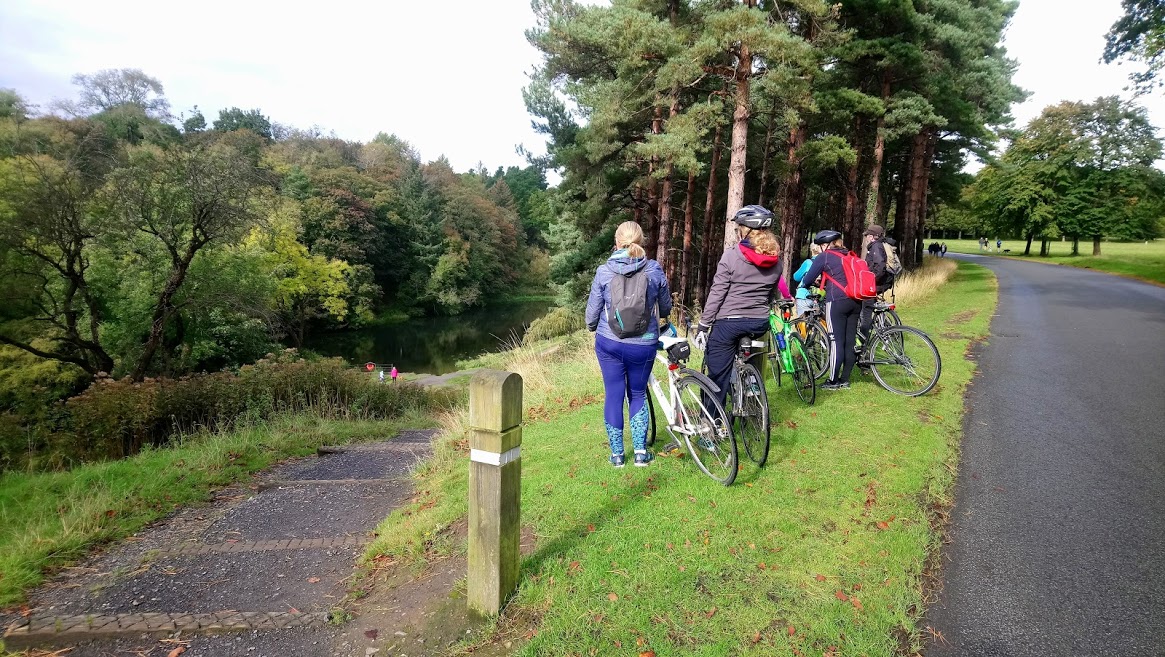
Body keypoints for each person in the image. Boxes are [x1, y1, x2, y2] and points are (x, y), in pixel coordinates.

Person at [585, 221, 672, 468]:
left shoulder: (604, 271)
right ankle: (641, 454)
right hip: (643, 344)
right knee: (637, 393)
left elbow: (591, 315)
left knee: (613, 394)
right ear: (641, 241)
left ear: (616, 241)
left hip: (609, 343)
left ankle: (617, 456)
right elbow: (665, 307)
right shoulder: (654, 269)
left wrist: (595, 328)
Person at [694, 205, 782, 410]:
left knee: (716, 373)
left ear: (747, 230)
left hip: (730, 322)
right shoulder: (776, 259)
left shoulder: (732, 255)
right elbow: (771, 293)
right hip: (759, 322)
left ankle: (712, 425)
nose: (738, 231)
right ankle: (751, 386)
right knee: (752, 356)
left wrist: (704, 324)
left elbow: (717, 294)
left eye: (739, 227)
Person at [798, 230, 861, 390]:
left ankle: (833, 381)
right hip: (855, 300)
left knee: (835, 341)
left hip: (836, 301)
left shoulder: (825, 257)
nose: (819, 249)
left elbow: (808, 279)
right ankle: (845, 379)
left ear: (825, 245)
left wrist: (806, 284)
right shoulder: (850, 254)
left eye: (820, 246)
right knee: (849, 341)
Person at [857, 225, 895, 350]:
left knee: (866, 314)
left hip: (875, 285)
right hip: (882, 283)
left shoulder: (876, 247)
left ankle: (862, 343)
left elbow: (879, 267)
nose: (866, 238)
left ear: (873, 236)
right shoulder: (880, 245)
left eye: (868, 235)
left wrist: (869, 281)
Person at [792, 242, 824, 316]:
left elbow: (796, 277)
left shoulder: (808, 262)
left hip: (804, 296)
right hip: (820, 296)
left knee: (803, 323)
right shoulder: (826, 263)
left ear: (812, 250)